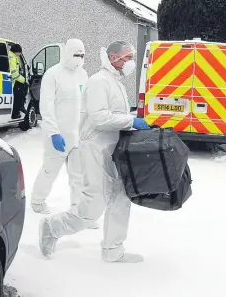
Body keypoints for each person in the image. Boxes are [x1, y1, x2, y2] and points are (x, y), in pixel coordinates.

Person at [38, 41, 150, 263]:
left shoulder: (115, 82)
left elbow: (114, 114)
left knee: (120, 197)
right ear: (113, 58)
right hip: (95, 150)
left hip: (113, 149)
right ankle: (52, 227)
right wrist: (131, 121)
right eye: (127, 58)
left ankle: (113, 249)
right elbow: (99, 117)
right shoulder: (98, 82)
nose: (130, 62)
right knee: (92, 206)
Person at [31, 39, 91, 217]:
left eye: (82, 55)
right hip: (57, 135)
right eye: (76, 55)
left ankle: (78, 209)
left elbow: (86, 103)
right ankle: (37, 201)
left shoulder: (83, 75)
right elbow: (46, 106)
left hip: (77, 135)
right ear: (67, 53)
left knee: (78, 176)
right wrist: (53, 132)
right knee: (49, 171)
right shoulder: (53, 74)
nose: (79, 58)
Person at [9, 43, 27, 119]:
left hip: (12, 81)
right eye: (19, 52)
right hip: (11, 81)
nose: (20, 54)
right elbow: (14, 73)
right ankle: (17, 111)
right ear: (16, 51)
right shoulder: (12, 57)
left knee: (18, 94)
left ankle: (18, 109)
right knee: (19, 94)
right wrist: (23, 80)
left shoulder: (14, 56)